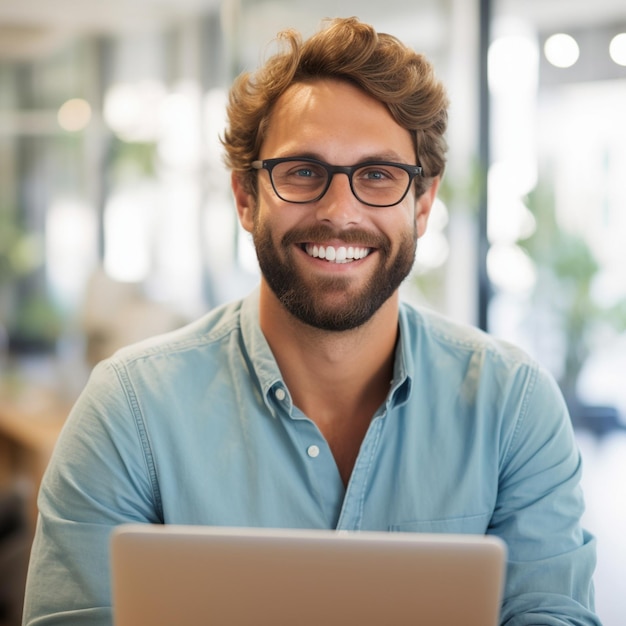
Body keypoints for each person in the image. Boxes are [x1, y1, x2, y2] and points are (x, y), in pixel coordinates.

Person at [23, 16, 600, 625]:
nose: (339, 211)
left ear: (423, 204)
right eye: (303, 172)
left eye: (378, 175)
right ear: (247, 198)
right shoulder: (129, 410)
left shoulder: (513, 407)